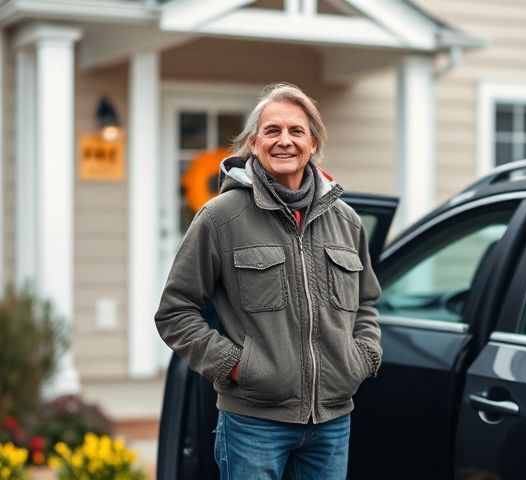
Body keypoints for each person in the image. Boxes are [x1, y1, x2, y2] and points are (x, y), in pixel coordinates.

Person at [154, 82, 382, 479]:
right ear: (253, 143)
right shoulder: (221, 217)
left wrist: (361, 358)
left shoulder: (346, 221)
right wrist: (235, 365)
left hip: (331, 421)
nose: (284, 141)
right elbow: (176, 313)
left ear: (313, 144)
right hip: (253, 423)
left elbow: (367, 303)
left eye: (296, 131)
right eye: (272, 130)